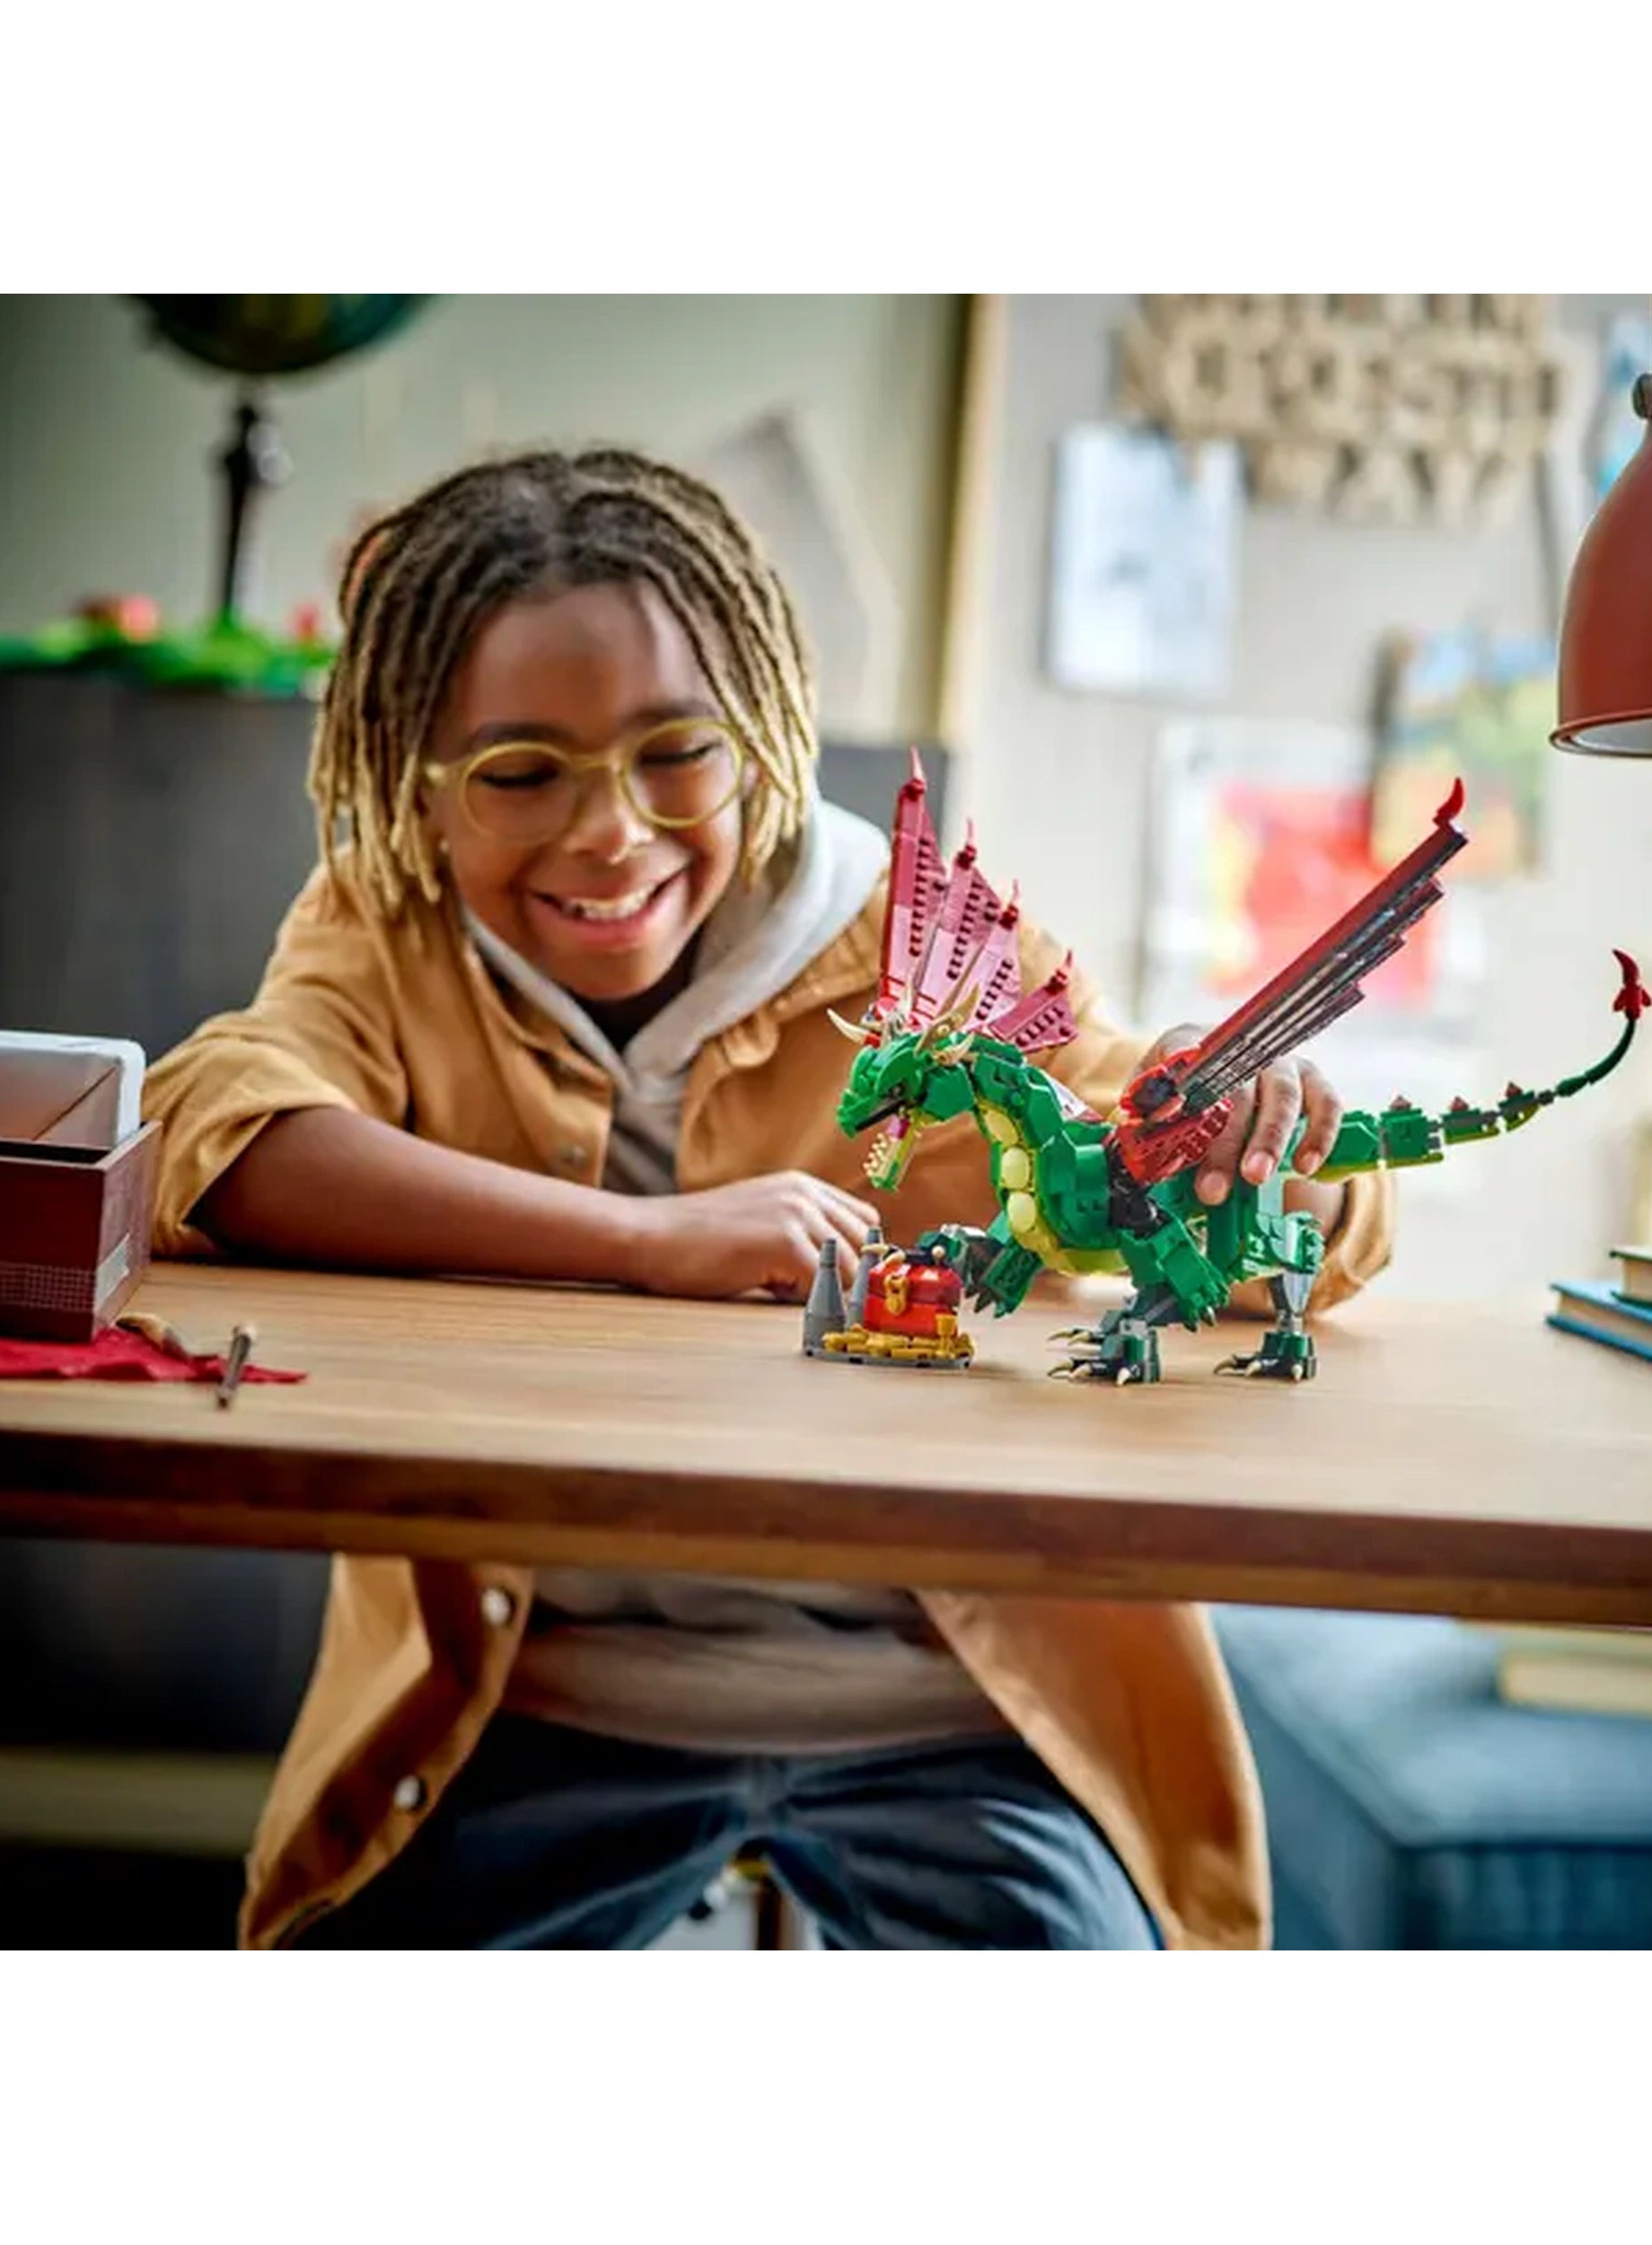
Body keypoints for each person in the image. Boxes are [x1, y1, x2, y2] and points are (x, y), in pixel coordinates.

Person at [145, 447, 1398, 1950]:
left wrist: (1253, 1125)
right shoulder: (387, 921)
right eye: (521, 772)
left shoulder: (922, 938)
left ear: (762, 732)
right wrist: (644, 1239)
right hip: (524, 1707)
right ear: (417, 781)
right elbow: (212, 1130)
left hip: (948, 1718)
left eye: (678, 752)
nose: (610, 831)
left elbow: (1234, 1183)